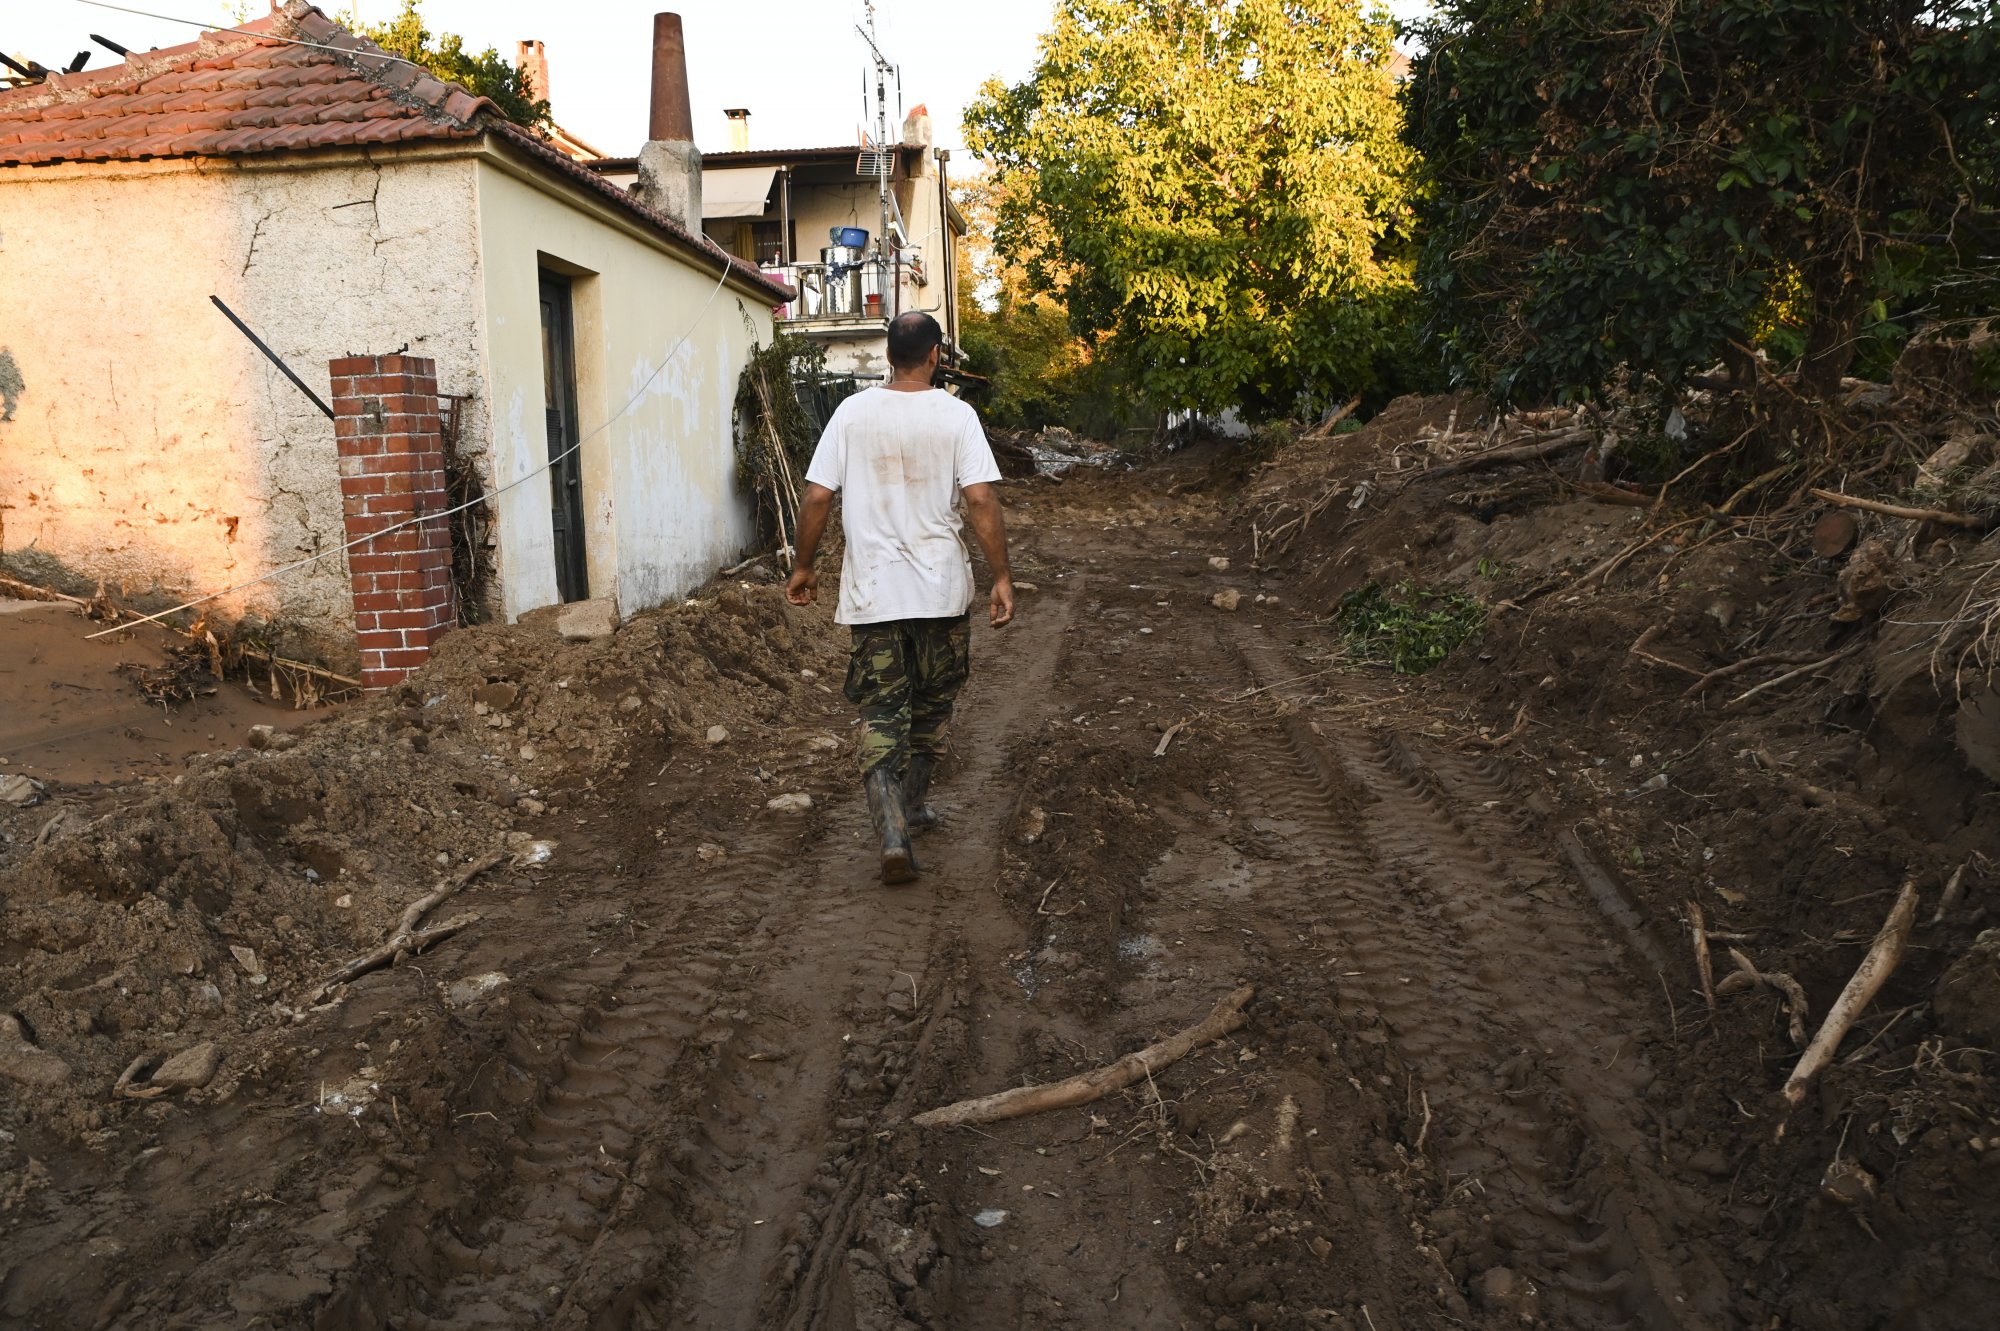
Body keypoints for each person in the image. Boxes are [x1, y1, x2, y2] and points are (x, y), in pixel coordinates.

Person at [785, 311, 1013, 884]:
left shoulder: (850, 413)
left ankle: (893, 833)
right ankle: (911, 806)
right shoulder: (957, 416)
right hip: (940, 592)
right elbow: (980, 501)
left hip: (874, 594)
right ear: (936, 355)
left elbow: (816, 497)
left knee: (883, 713)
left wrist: (804, 566)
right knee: (932, 709)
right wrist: (1002, 576)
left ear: (888, 356)